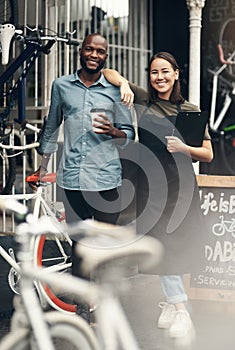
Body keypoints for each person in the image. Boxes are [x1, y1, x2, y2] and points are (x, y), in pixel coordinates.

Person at [103, 51, 213, 339]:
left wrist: (185, 150)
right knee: (159, 244)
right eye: (154, 72)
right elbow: (108, 73)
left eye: (166, 71)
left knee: (174, 245)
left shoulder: (190, 110)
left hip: (181, 188)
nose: (160, 77)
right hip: (151, 187)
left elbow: (208, 154)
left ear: (176, 74)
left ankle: (178, 308)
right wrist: (124, 85)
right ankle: (176, 305)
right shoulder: (142, 102)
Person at [30, 33, 135, 305]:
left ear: (106, 56)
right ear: (81, 51)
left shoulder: (115, 91)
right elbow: (51, 128)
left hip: (106, 181)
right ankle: (83, 313)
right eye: (89, 49)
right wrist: (41, 170)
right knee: (79, 248)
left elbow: (129, 135)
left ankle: (105, 308)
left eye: (100, 52)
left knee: (103, 248)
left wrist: (113, 131)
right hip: (72, 181)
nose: (94, 55)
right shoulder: (62, 86)